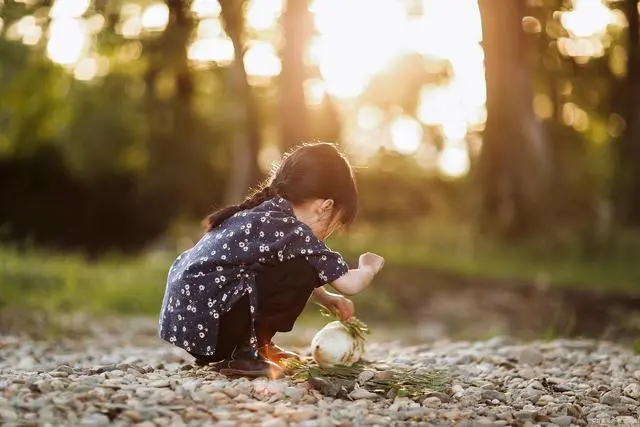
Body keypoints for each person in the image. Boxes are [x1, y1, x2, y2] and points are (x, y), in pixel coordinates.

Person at [158, 142, 385, 378]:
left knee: (296, 266)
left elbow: (272, 273)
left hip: (194, 329)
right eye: (335, 225)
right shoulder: (294, 230)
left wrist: (326, 297)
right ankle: (245, 353)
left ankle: (255, 345)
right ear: (325, 207)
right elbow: (350, 284)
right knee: (302, 268)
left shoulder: (264, 214)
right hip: (214, 330)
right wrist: (368, 267)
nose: (328, 234)